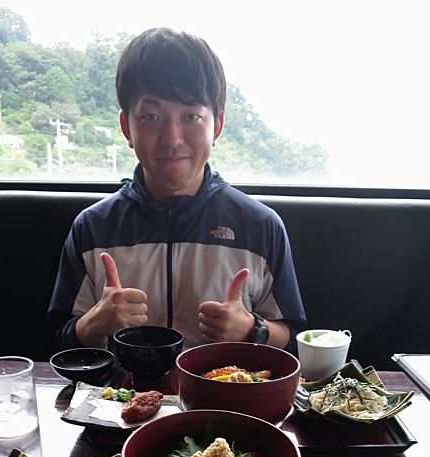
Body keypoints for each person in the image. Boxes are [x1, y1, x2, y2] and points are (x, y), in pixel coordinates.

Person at [48, 27, 306, 354]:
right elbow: (60, 337)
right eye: (151, 116)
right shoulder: (93, 228)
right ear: (127, 127)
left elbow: (295, 335)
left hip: (221, 397)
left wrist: (253, 329)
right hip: (119, 401)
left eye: (192, 116)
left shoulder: (259, 226)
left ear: (217, 127)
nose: (172, 138)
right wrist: (95, 323)